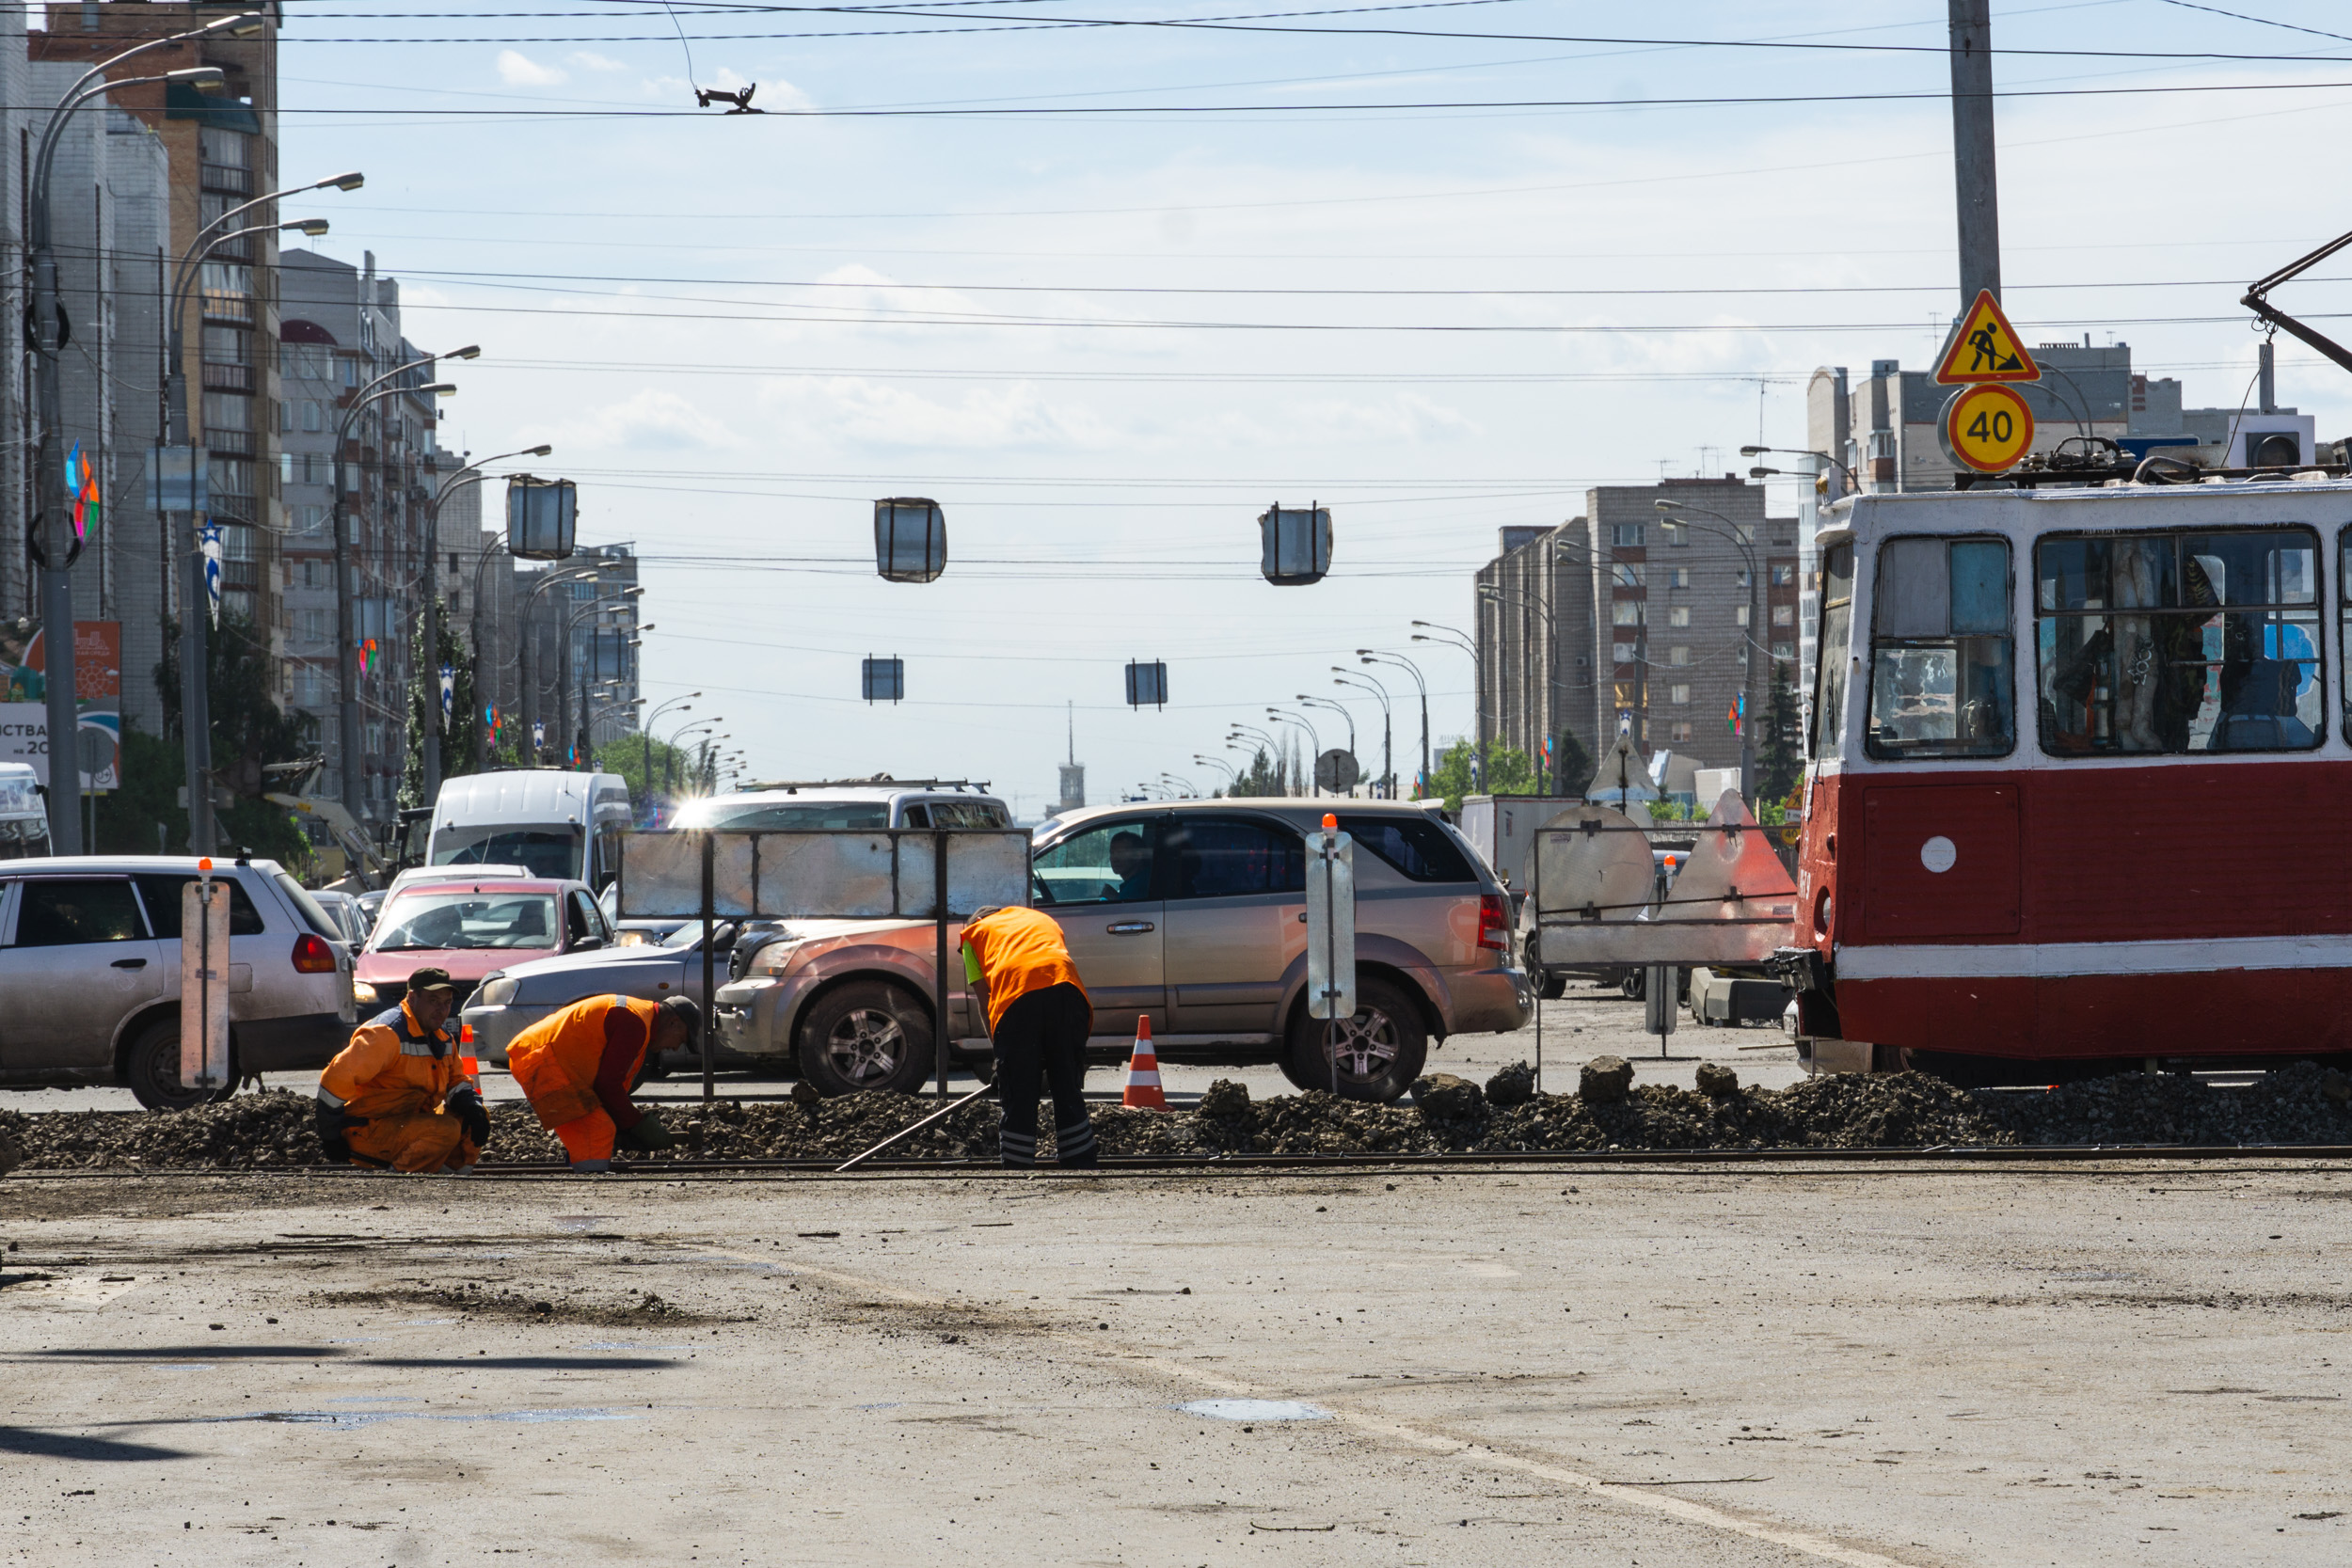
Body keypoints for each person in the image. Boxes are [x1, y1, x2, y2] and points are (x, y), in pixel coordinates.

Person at [314, 967, 487, 1173]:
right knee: (445, 1130)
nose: (441, 1009)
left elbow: (456, 1081)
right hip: (367, 1130)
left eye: (447, 1003)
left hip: (407, 1124)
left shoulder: (442, 1037)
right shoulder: (386, 1034)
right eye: (433, 1001)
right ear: (412, 998)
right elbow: (334, 1079)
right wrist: (331, 1138)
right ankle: (397, 1181)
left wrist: (471, 1105)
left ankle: (448, 1178)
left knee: (475, 1116)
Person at [961, 905, 1095, 1168]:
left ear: (976, 921)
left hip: (1017, 1001)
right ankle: (1080, 1166)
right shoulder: (1040, 918)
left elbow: (985, 1000)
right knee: (1067, 1087)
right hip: (1070, 995)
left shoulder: (973, 934)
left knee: (1019, 1096)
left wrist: (1000, 1059)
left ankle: (1017, 1169)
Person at [505, 994, 697, 1172]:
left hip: (542, 1057)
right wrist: (636, 1125)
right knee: (598, 1131)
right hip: (542, 1060)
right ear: (674, 1023)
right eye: (680, 1040)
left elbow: (608, 1085)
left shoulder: (638, 1017)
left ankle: (581, 1171)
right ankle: (589, 1185)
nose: (674, 1048)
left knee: (591, 1128)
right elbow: (607, 1086)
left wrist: (625, 1123)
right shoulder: (634, 1023)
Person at [1107, 831, 1152, 901]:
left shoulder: (1137, 888)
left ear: (1138, 856)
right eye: (1112, 853)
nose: (1114, 859)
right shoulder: (1144, 879)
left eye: (1121, 853)